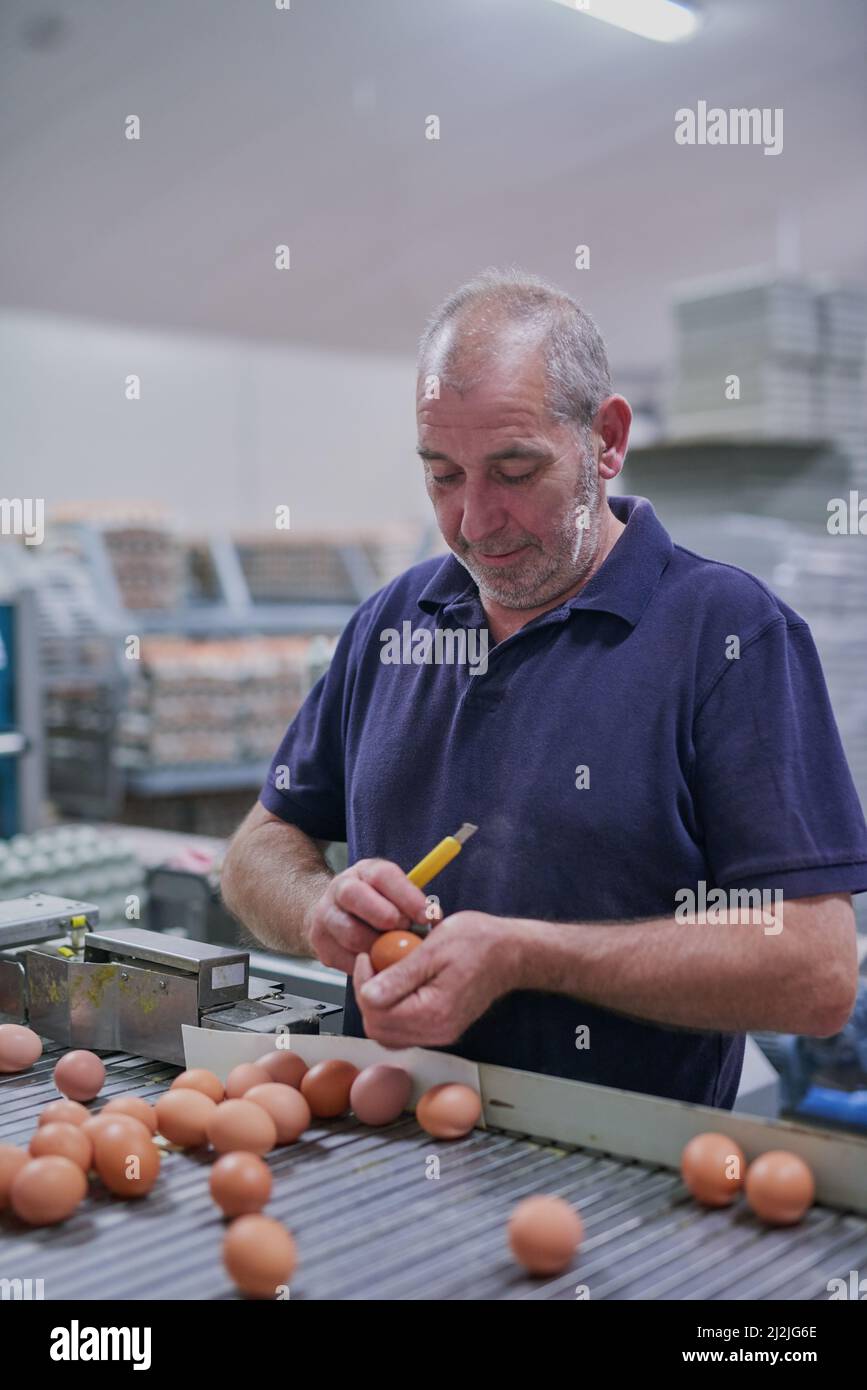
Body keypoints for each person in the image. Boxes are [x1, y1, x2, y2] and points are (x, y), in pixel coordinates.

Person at [221, 267, 867, 1108]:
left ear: (606, 438)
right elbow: (256, 849)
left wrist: (528, 956)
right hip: (382, 1160)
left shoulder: (727, 633)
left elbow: (813, 974)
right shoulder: (394, 620)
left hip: (621, 1181)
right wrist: (316, 908)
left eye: (514, 471)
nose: (474, 523)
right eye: (442, 475)